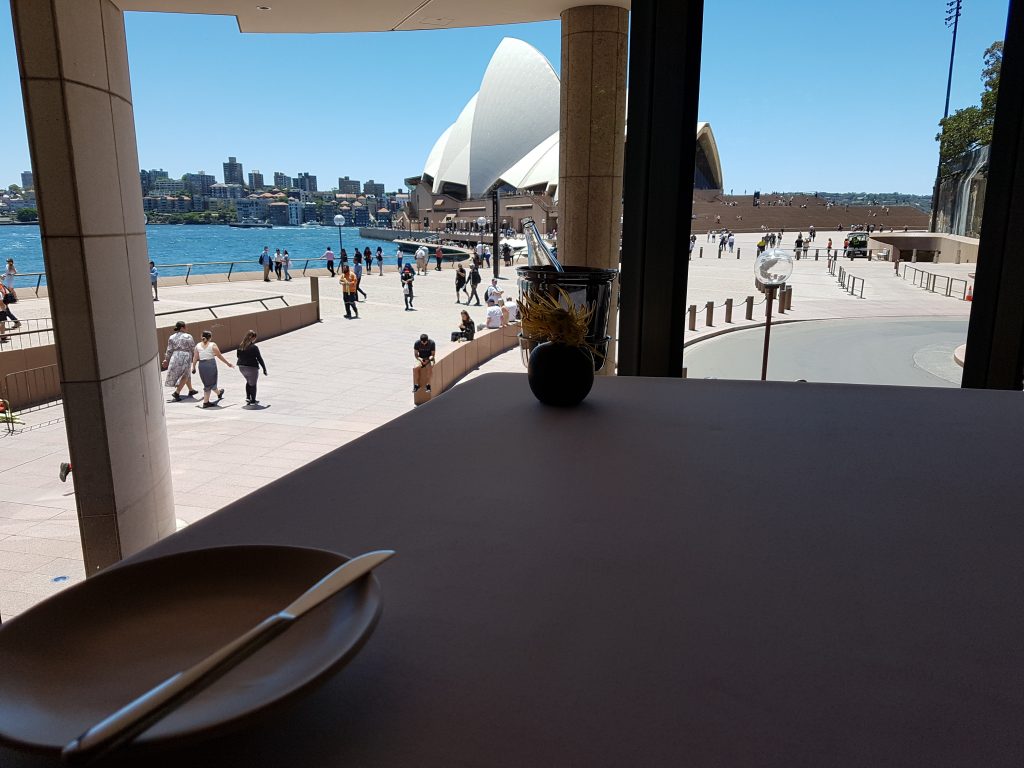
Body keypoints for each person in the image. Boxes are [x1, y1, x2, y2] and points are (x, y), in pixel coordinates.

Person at [191, 330, 234, 408]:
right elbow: (219, 356)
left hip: (202, 365)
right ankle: (206, 402)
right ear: (210, 337)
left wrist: (193, 367)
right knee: (209, 383)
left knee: (209, 382)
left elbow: (195, 357)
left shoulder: (198, 345)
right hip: (210, 365)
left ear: (202, 336)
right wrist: (228, 363)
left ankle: (219, 393)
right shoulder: (212, 345)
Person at [163, 320, 198, 401]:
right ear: (182, 328)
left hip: (174, 356)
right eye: (185, 327)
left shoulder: (171, 337)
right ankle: (177, 392)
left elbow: (169, 350)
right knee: (185, 374)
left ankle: (191, 390)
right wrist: (197, 356)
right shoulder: (188, 336)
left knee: (187, 374)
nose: (186, 328)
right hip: (185, 356)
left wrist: (166, 360)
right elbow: (193, 347)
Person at [236, 330, 268, 405]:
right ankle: (253, 400)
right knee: (253, 384)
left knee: (248, 381)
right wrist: (264, 368)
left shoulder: (241, 346)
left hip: (241, 367)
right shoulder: (254, 347)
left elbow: (238, 356)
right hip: (251, 368)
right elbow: (259, 358)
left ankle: (248, 397)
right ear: (253, 338)